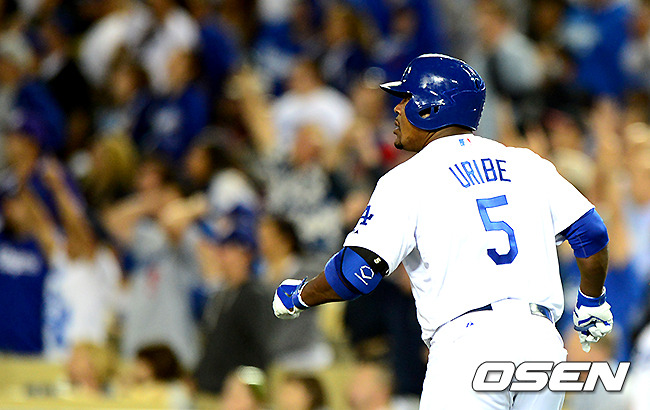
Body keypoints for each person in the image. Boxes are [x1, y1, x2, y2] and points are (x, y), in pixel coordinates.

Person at [273, 54, 613, 409]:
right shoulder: (525, 163)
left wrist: (301, 295)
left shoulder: (409, 178)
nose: (397, 109)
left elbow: (356, 273)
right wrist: (592, 300)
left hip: (469, 345)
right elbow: (591, 233)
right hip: (541, 344)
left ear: (431, 107)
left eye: (406, 98)